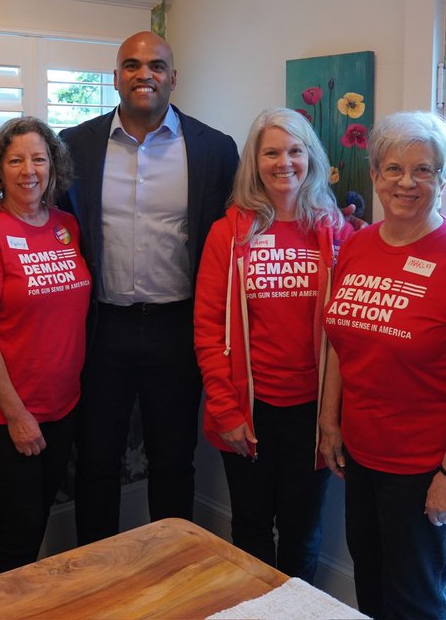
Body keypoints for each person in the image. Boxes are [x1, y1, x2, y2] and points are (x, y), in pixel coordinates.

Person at [59, 30, 239, 545]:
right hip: (102, 328)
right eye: (133, 65)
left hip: (177, 329)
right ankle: (98, 576)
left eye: (157, 65)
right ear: (116, 78)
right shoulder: (76, 145)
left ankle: (170, 569)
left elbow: (244, 224)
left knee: (173, 461)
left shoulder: (214, 149)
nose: (145, 74)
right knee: (96, 460)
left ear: (173, 78)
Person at [319, 111, 446, 620]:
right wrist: (330, 422)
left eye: (424, 170)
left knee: (415, 597)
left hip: (426, 465)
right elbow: (337, 343)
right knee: (370, 584)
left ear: (444, 178)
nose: (406, 182)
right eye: (393, 169)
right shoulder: (355, 245)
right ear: (374, 175)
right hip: (363, 452)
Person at [194, 107, 349, 581]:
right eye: (272, 152)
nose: (285, 162)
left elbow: (348, 331)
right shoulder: (230, 233)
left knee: (303, 533)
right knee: (253, 529)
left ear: (311, 158)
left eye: (296, 150)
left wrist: (334, 416)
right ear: (255, 162)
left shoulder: (336, 230)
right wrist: (226, 409)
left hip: (313, 412)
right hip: (248, 409)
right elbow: (207, 327)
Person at [0, 117, 92, 574]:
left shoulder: (68, 227)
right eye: (16, 160)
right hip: (5, 412)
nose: (28, 170)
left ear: (53, 166)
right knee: (21, 529)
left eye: (38, 158)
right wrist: (17, 416)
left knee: (35, 526)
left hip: (62, 407)